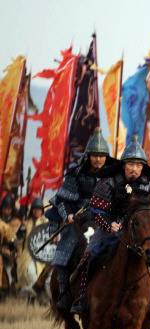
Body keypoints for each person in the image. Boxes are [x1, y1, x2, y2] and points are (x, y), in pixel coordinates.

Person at [70, 139, 150, 323]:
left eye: (138, 165)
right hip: (111, 229)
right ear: (124, 165)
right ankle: (82, 299)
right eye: (131, 164)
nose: (134, 169)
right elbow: (97, 209)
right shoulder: (108, 183)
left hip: (142, 234)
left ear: (143, 167)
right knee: (89, 254)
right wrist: (108, 224)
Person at [49, 128, 118, 312]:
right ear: (88, 155)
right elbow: (62, 201)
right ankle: (64, 295)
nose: (98, 159)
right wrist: (68, 216)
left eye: (102, 155)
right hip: (79, 220)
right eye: (95, 155)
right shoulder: (76, 173)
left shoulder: (114, 175)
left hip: (104, 219)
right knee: (63, 254)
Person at [16, 198, 48, 292]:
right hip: (27, 254)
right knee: (29, 273)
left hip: (42, 253)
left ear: (42, 210)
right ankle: (29, 291)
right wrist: (22, 228)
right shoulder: (26, 223)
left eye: (39, 209)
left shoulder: (46, 223)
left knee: (41, 275)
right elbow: (19, 238)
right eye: (35, 209)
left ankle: (35, 293)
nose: (36, 211)